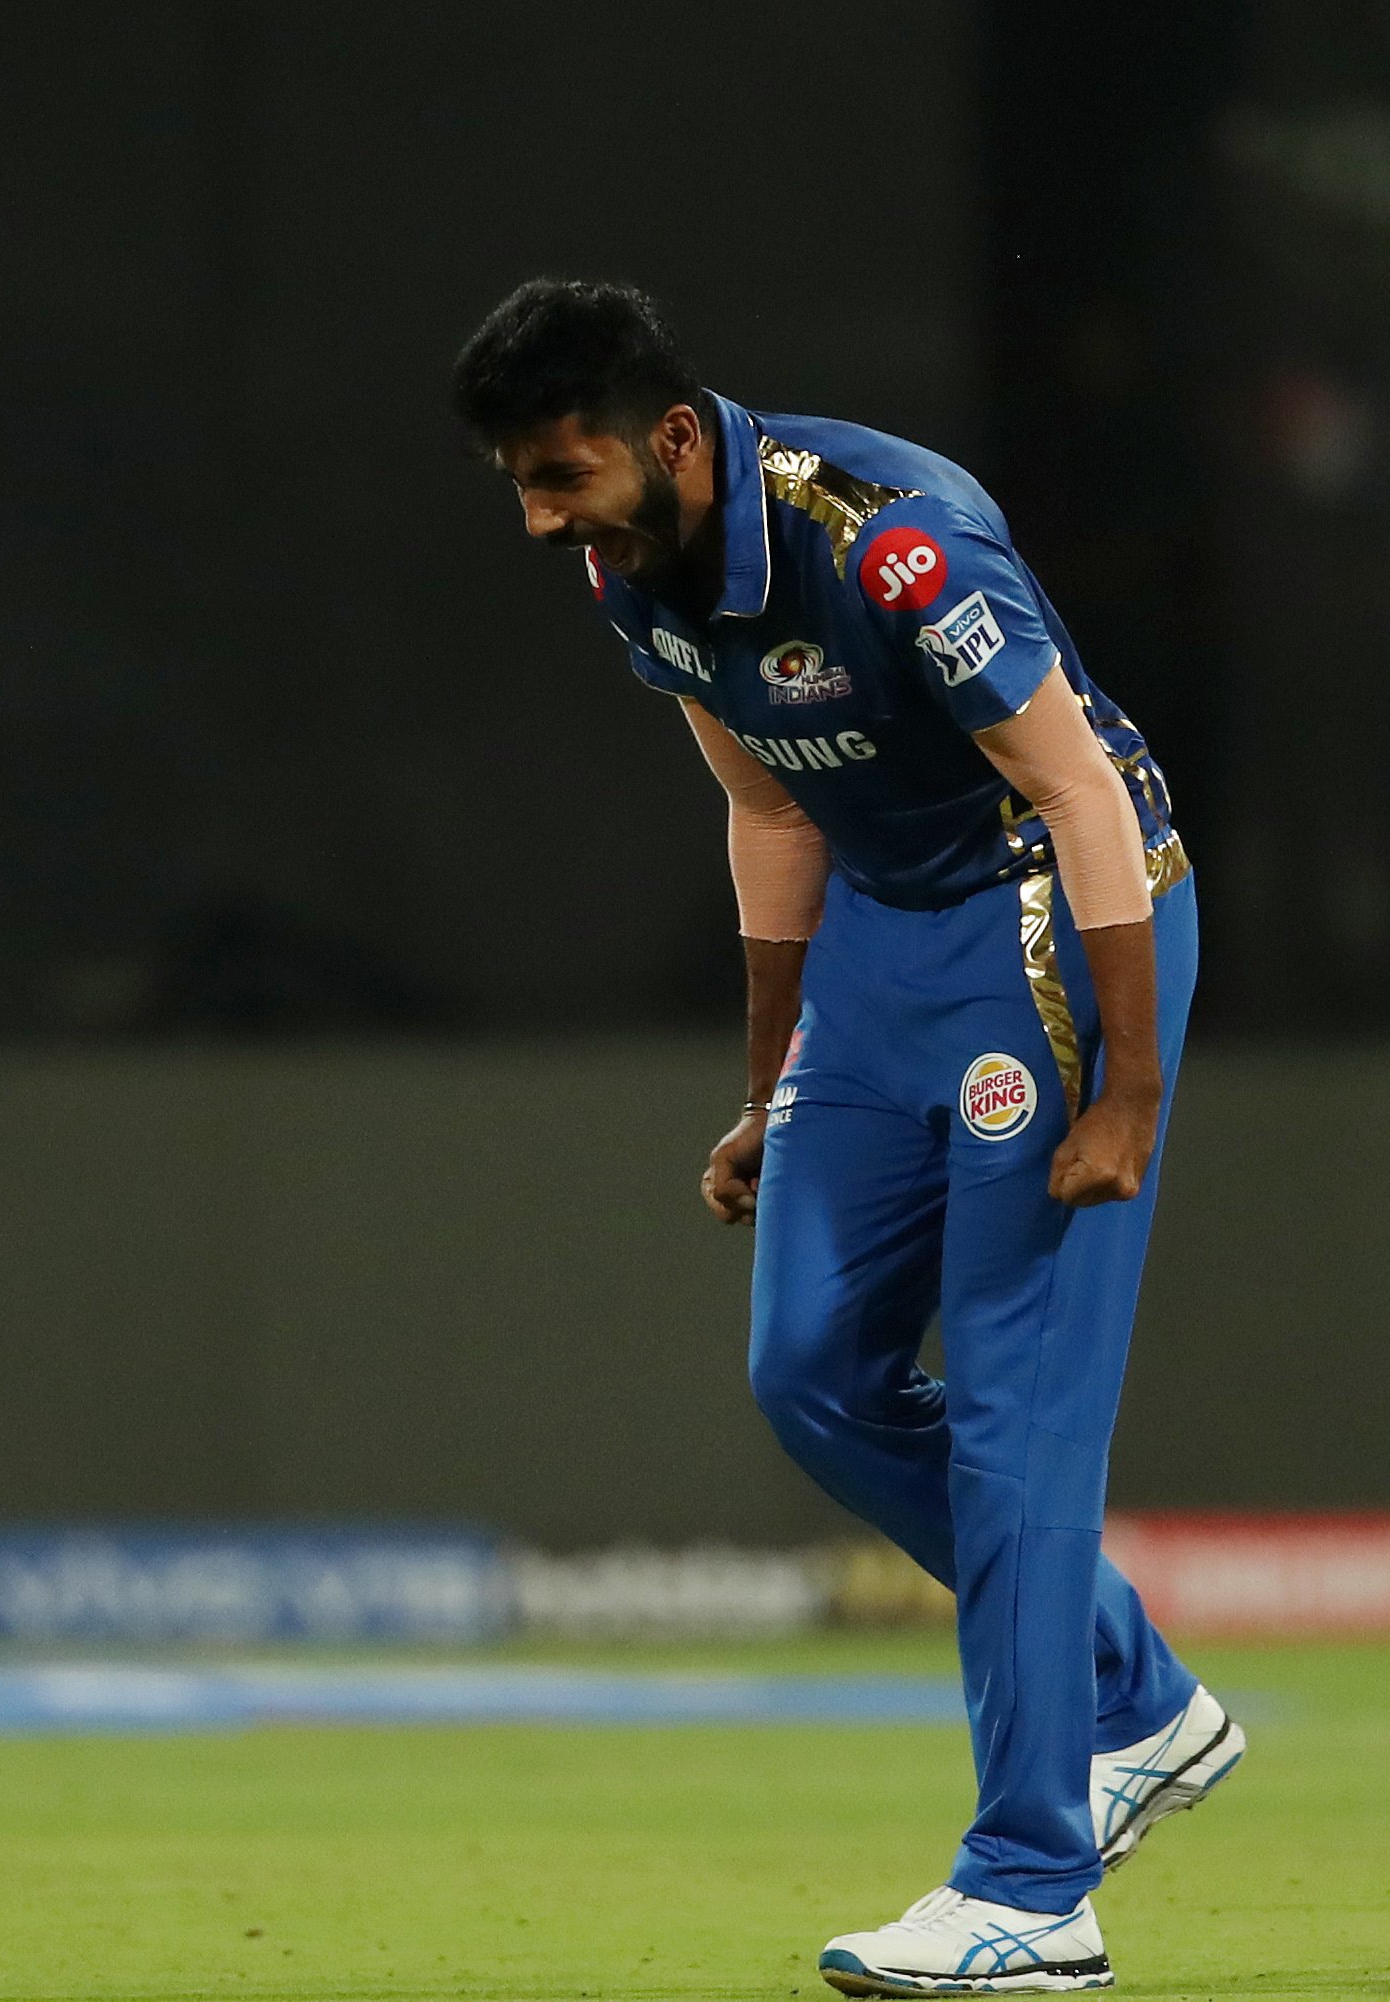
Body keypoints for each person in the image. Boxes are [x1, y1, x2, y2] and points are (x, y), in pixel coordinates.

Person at [451, 280, 1239, 1997]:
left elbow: (1081, 793)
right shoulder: (629, 568)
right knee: (809, 1369)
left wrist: (1126, 1091)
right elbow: (766, 803)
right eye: (518, 483)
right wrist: (768, 1083)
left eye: (561, 474)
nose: (540, 519)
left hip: (1044, 912)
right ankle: (1138, 1698)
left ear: (670, 437)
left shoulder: (890, 539)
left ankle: (1032, 1890)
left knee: (1016, 1414)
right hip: (883, 939)